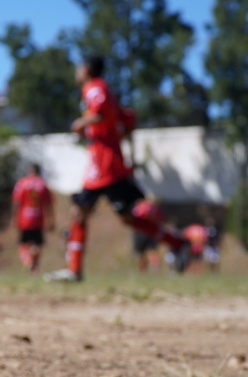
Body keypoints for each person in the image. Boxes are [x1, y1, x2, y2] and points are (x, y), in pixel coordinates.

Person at [44, 55, 190, 282]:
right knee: (127, 219)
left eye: (79, 68)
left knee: (79, 213)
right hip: (113, 164)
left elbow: (100, 112)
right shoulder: (108, 90)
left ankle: (74, 270)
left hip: (103, 166)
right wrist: (114, 135)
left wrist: (80, 124)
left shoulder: (94, 88)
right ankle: (178, 243)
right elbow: (129, 119)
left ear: (87, 70)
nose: (77, 72)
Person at [12, 163, 54, 273]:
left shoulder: (21, 183)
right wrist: (51, 220)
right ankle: (34, 269)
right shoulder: (43, 184)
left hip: (25, 218)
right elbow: (48, 204)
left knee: (23, 243)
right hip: (38, 218)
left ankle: (28, 260)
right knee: (37, 244)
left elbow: (16, 202)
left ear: (29, 170)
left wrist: (13, 217)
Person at [131, 198, 165, 272]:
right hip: (149, 232)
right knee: (149, 252)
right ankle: (153, 270)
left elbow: (133, 217)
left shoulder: (140, 207)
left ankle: (145, 271)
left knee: (143, 253)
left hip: (143, 232)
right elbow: (162, 218)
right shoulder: (154, 208)